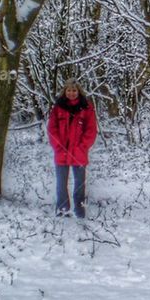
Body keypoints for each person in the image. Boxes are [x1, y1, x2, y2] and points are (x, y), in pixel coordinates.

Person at [47, 78, 98, 218]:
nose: (71, 93)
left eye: (74, 90)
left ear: (78, 91)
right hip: (61, 151)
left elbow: (91, 130)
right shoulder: (58, 107)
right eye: (69, 90)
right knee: (61, 184)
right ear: (65, 91)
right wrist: (58, 146)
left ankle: (80, 210)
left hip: (79, 152)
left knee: (80, 184)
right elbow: (52, 128)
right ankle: (63, 210)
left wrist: (83, 146)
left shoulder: (86, 107)